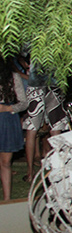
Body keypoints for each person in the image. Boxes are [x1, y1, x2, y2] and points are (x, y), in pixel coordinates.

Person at [22, 63, 69, 182]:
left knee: (32, 129)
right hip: (55, 83)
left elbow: (22, 53)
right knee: (56, 128)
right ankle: (59, 169)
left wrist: (26, 65)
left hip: (36, 84)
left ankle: (30, 173)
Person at [0, 58, 29, 200]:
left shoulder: (13, 77)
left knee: (5, 162)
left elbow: (24, 103)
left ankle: (7, 199)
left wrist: (8, 108)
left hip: (6, 120)